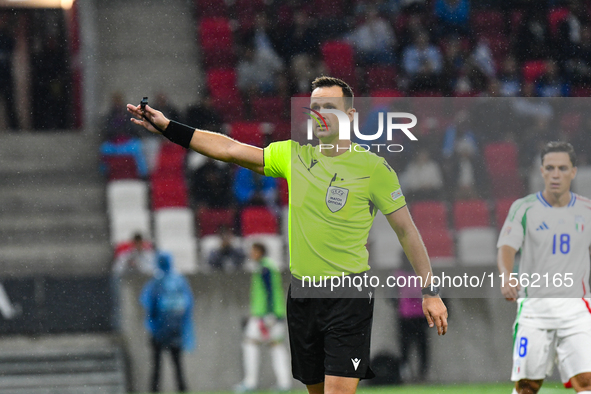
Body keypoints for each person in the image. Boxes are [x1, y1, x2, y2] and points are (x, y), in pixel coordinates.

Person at [127, 76, 447, 394]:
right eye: (315, 107)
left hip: (349, 295)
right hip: (303, 297)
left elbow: (406, 230)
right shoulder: (293, 156)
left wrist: (430, 291)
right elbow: (229, 149)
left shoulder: (374, 169)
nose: (320, 114)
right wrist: (170, 127)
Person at [497, 141, 591, 394]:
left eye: (562, 168)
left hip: (577, 310)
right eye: (550, 168)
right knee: (527, 386)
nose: (556, 174)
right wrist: (507, 276)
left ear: (573, 171)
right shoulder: (524, 208)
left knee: (586, 382)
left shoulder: (587, 210)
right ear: (541, 171)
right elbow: (506, 247)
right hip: (534, 310)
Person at [235, 243, 291, 392]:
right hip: (272, 314)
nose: (251, 253)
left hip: (265, 315)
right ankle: (284, 383)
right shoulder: (268, 266)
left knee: (250, 343)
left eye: (253, 250)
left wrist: (269, 314)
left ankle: (250, 382)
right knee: (276, 346)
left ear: (260, 251)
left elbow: (270, 292)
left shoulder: (264, 268)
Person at [140, 252, 195, 393]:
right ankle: (182, 389)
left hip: (159, 330)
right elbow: (188, 305)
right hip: (176, 330)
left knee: (157, 366)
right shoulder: (179, 281)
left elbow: (149, 305)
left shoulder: (156, 282)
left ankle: (154, 390)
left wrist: (153, 326)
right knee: (177, 365)